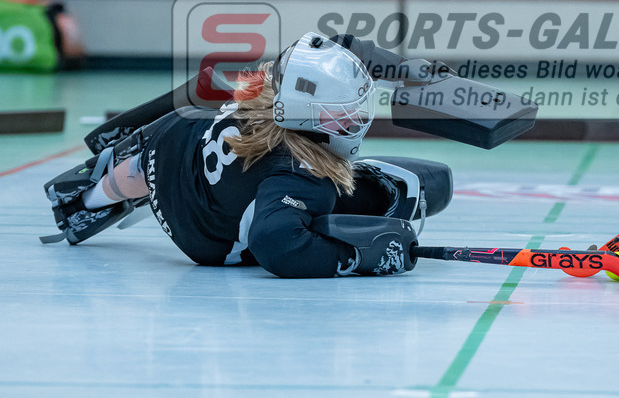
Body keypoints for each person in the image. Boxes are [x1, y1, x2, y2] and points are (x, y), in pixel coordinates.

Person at [41, 31, 454, 278]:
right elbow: (275, 243)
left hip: (171, 145)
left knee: (186, 118)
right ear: (307, 115)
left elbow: (337, 48)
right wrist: (353, 258)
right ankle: (103, 192)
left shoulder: (269, 85)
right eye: (342, 113)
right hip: (204, 238)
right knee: (312, 206)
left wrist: (407, 69)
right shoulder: (303, 175)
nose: (354, 118)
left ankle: (92, 196)